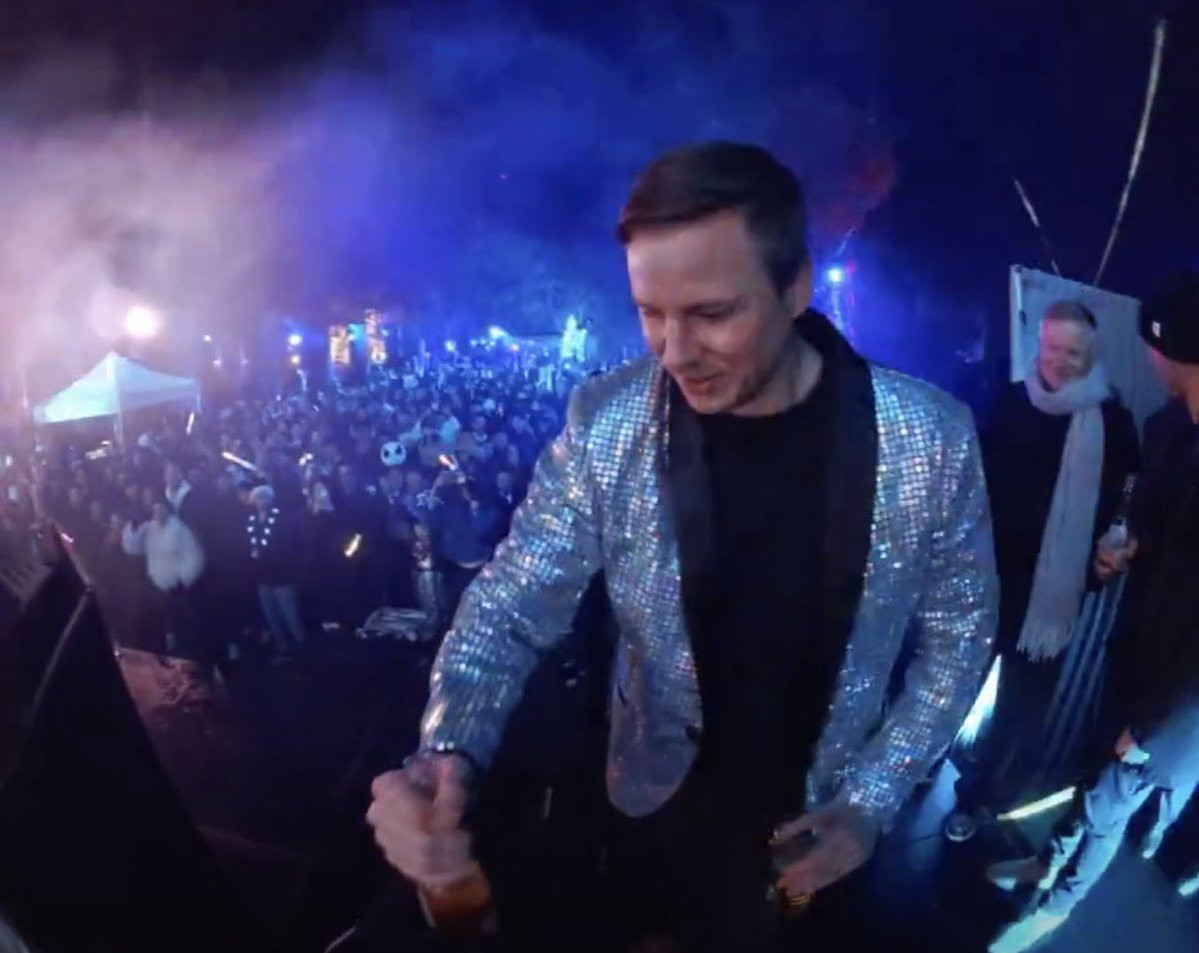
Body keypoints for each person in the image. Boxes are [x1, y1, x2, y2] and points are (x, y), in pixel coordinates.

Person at [366, 142, 997, 952]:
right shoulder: (607, 420)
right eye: (649, 312)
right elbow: (510, 608)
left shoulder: (929, 437)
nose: (671, 350)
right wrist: (448, 751)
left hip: (818, 820)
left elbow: (958, 635)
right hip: (647, 808)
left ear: (795, 287)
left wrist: (873, 795)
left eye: (710, 313)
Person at [988, 270, 1199, 952]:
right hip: (1135, 648)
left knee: (1112, 800)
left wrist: (1159, 721)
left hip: (1176, 693)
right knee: (1092, 778)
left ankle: (1052, 911)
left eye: (1154, 346)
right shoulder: (1168, 429)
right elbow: (1151, 526)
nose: (1148, 359)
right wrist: (1128, 545)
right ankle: (1045, 866)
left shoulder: (1128, 422)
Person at [948, 301, 1139, 839]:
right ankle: (914, 767)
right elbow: (971, 476)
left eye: (1072, 351)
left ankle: (984, 798)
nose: (1058, 360)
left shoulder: (1114, 422)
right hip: (988, 577)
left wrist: (1115, 546)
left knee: (1022, 709)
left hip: (1053, 596)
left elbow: (1127, 503)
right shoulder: (1010, 400)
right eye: (1052, 347)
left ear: (1092, 354)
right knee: (955, 682)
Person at [121, 500, 207, 669]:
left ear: (168, 510)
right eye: (155, 510)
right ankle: (170, 658)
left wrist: (183, 578)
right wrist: (133, 526)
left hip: (178, 587)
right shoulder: (149, 529)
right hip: (157, 586)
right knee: (165, 625)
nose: (158, 513)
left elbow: (193, 555)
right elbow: (132, 548)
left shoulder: (180, 529)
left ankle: (191, 659)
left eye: (161, 509)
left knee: (183, 625)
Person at [245, 484, 306, 664]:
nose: (262, 501)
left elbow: (289, 545)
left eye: (265, 497)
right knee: (272, 617)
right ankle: (283, 649)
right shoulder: (252, 520)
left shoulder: (281, 519)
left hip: (281, 576)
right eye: (258, 497)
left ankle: (303, 651)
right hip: (262, 577)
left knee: (290, 616)